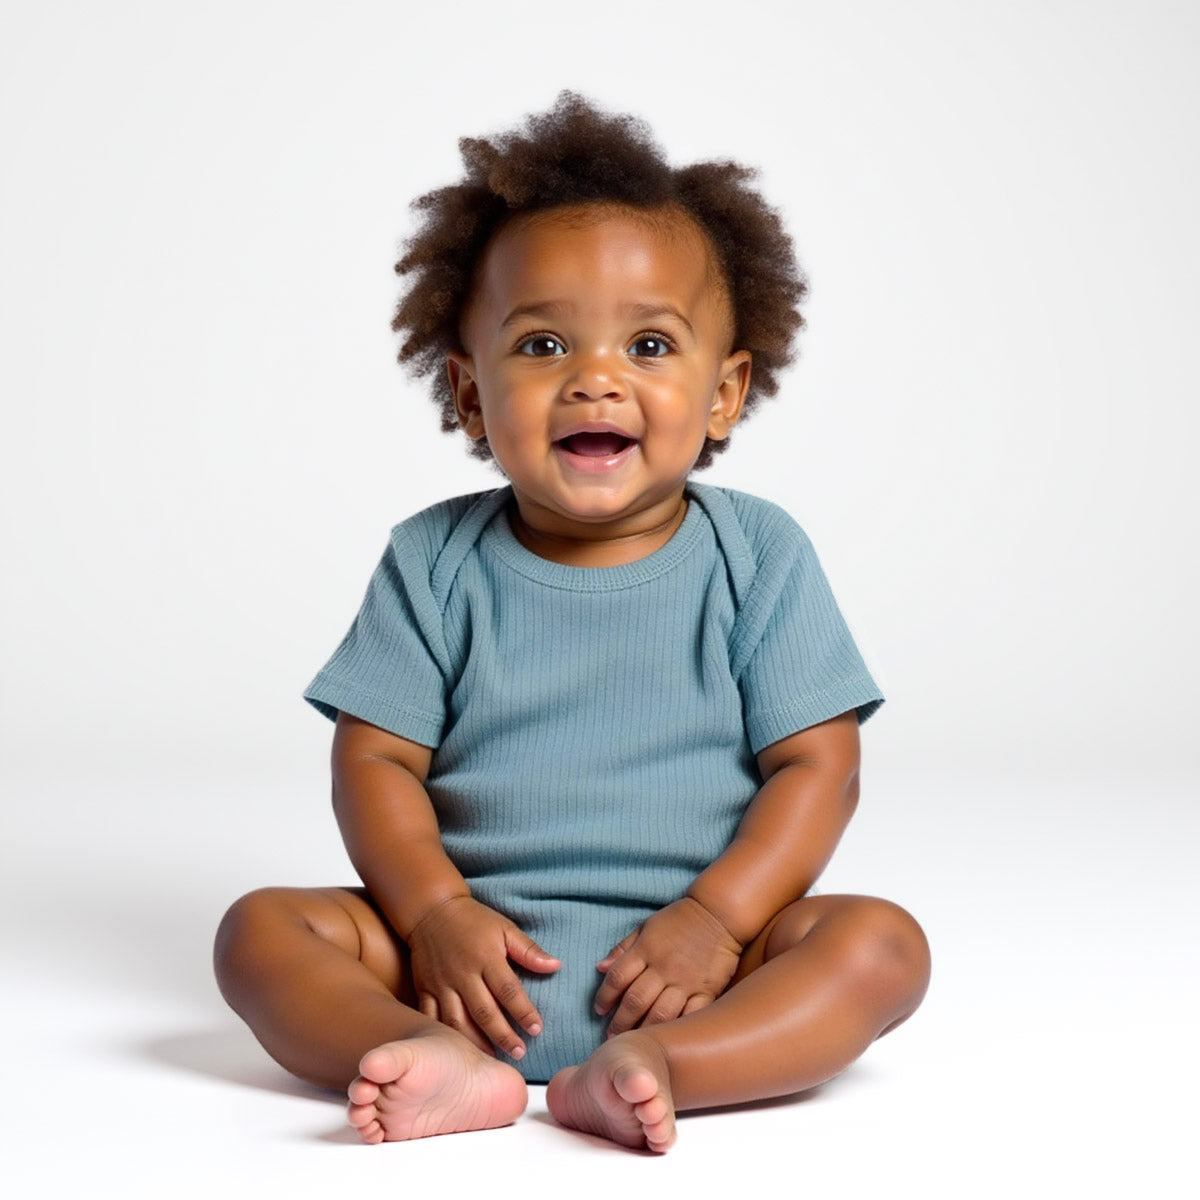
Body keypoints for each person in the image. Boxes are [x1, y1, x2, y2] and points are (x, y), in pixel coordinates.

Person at [214, 92, 931, 1153]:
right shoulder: (434, 559)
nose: (596, 378)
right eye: (544, 343)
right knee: (260, 931)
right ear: (469, 394)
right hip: (461, 966)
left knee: (882, 945)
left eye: (649, 344)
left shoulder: (759, 555)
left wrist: (718, 921)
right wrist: (434, 915)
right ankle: (427, 1054)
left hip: (702, 969)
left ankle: (664, 1066)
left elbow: (819, 766)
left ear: (725, 392)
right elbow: (374, 761)